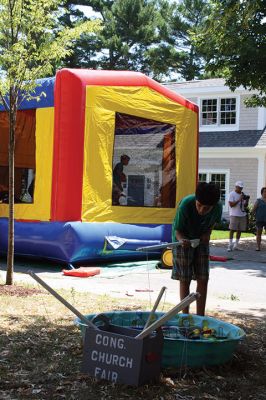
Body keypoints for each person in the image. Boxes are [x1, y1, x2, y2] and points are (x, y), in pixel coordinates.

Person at [171, 182, 222, 316]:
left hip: (201, 240)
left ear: (213, 206)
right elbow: (178, 230)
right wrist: (182, 240)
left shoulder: (218, 207)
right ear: (196, 200)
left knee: (203, 278)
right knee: (185, 278)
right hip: (182, 239)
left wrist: (207, 234)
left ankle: (200, 316)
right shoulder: (186, 204)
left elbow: (212, 224)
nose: (201, 210)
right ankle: (185, 315)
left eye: (206, 208)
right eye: (199, 205)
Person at [228, 181, 249, 251]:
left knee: (240, 230)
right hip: (234, 214)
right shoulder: (232, 194)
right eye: (239, 187)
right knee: (232, 229)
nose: (240, 189)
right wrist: (239, 200)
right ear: (236, 187)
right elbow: (231, 205)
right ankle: (230, 245)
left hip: (242, 215)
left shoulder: (243, 194)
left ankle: (236, 245)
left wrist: (247, 200)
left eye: (241, 187)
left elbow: (245, 206)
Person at [252, 187, 266, 251]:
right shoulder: (258, 200)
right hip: (259, 219)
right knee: (259, 233)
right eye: (264, 192)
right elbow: (253, 210)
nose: (265, 193)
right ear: (262, 193)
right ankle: (258, 247)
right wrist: (254, 217)